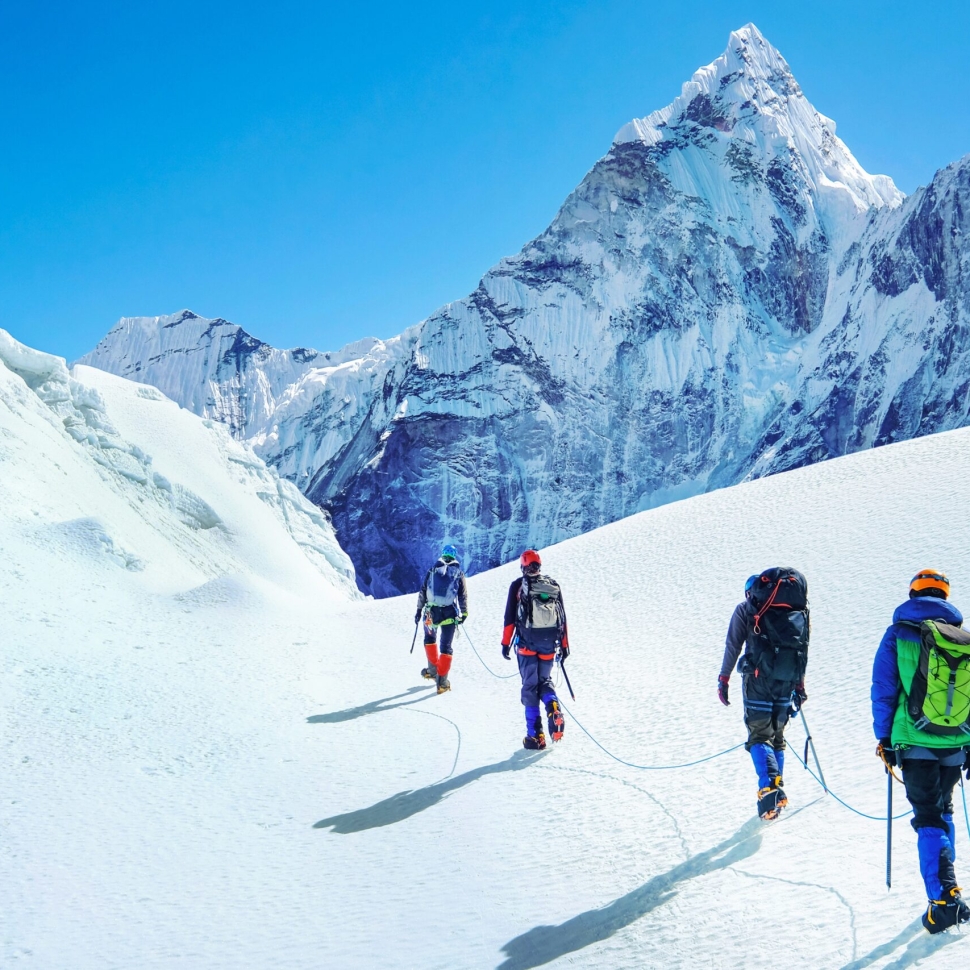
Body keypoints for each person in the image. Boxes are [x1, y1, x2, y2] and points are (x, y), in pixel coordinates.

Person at [871, 568, 970, 933]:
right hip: (956, 743)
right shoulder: (964, 638)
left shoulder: (899, 633)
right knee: (942, 811)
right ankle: (948, 886)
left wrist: (884, 740)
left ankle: (944, 898)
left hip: (914, 741)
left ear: (913, 594)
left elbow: (883, 688)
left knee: (928, 816)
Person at [718, 569, 809, 821]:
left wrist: (724, 678)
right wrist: (799, 686)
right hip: (787, 679)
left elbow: (733, 645)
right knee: (777, 737)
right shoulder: (795, 611)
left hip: (758, 679)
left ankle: (768, 790)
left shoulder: (746, 609)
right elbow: (802, 647)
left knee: (759, 734)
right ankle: (778, 791)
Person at [500, 549, 569, 749]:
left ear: (523, 566)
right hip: (549, 644)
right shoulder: (552, 585)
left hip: (526, 646)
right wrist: (564, 646)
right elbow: (563, 618)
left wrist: (505, 644)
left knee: (530, 687)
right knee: (545, 681)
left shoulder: (518, 586)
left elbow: (509, 618)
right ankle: (553, 705)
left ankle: (535, 736)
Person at [415, 544, 468, 695]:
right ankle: (442, 682)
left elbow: (423, 591)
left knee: (429, 639)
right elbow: (462, 595)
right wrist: (464, 613)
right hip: (449, 615)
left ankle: (432, 671)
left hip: (431, 613)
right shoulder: (458, 572)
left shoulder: (433, 569)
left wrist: (419, 610)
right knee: (446, 646)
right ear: (454, 556)